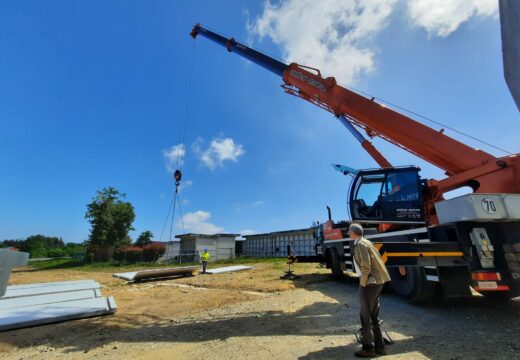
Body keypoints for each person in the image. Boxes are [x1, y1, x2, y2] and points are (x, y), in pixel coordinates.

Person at [350, 223, 391, 358]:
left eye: (349, 231)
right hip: (377, 282)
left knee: (365, 317)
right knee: (374, 316)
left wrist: (363, 284)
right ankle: (380, 347)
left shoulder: (360, 244)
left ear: (353, 233)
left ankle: (368, 349)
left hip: (369, 284)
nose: (348, 233)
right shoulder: (367, 242)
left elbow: (366, 266)